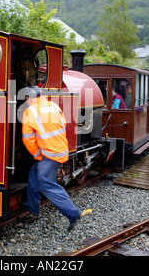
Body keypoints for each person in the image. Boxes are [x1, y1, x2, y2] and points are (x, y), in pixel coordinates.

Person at [21, 86, 92, 231]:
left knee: (46, 183)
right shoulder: (53, 106)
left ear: (30, 97)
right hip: (61, 149)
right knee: (34, 175)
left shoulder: (30, 111)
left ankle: (73, 213)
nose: (26, 102)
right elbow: (63, 124)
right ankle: (33, 209)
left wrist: (38, 155)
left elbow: (28, 139)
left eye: (26, 99)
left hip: (49, 154)